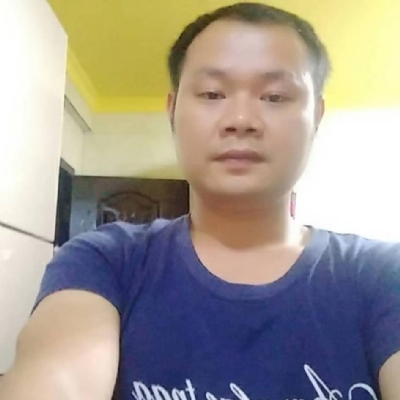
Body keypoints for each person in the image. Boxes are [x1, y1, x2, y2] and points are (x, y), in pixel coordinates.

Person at [1, 2, 399, 399]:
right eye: (212, 93)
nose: (240, 120)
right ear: (173, 111)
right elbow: (57, 377)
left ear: (317, 116)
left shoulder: (382, 274)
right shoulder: (106, 261)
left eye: (275, 97)